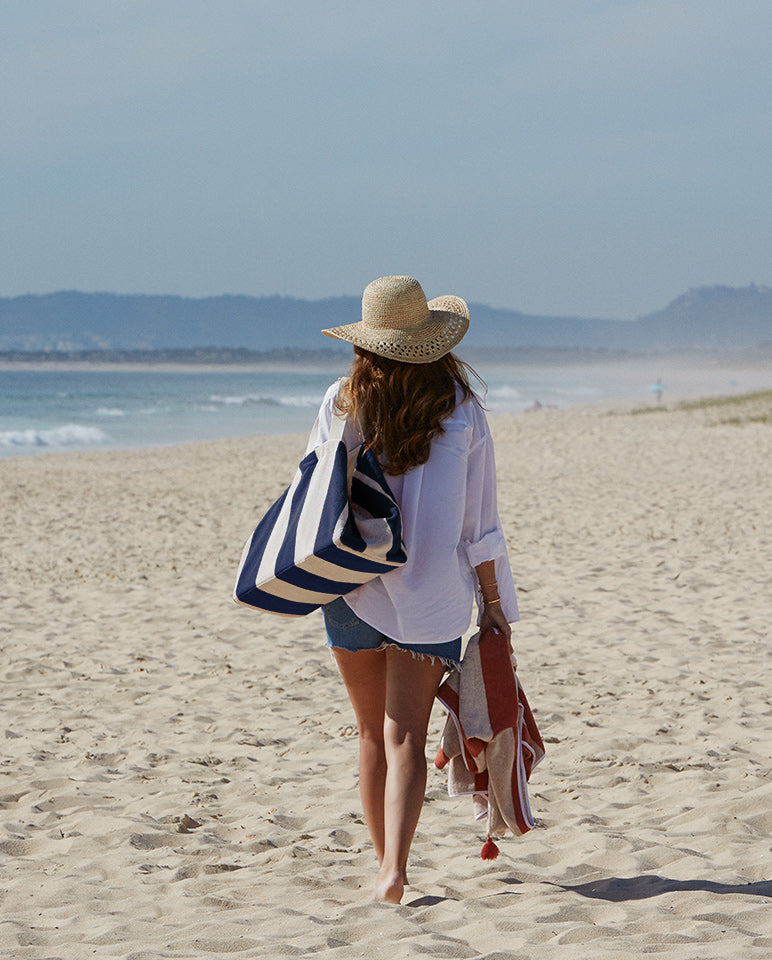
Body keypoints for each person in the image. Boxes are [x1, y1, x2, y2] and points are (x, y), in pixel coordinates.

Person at [311, 275, 519, 903]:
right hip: (433, 596)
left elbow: (317, 496)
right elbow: (480, 523)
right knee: (405, 733)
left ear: (367, 344)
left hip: (352, 587)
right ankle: (396, 869)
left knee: (371, 734)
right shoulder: (462, 409)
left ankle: (382, 868)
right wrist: (493, 604)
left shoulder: (342, 401)